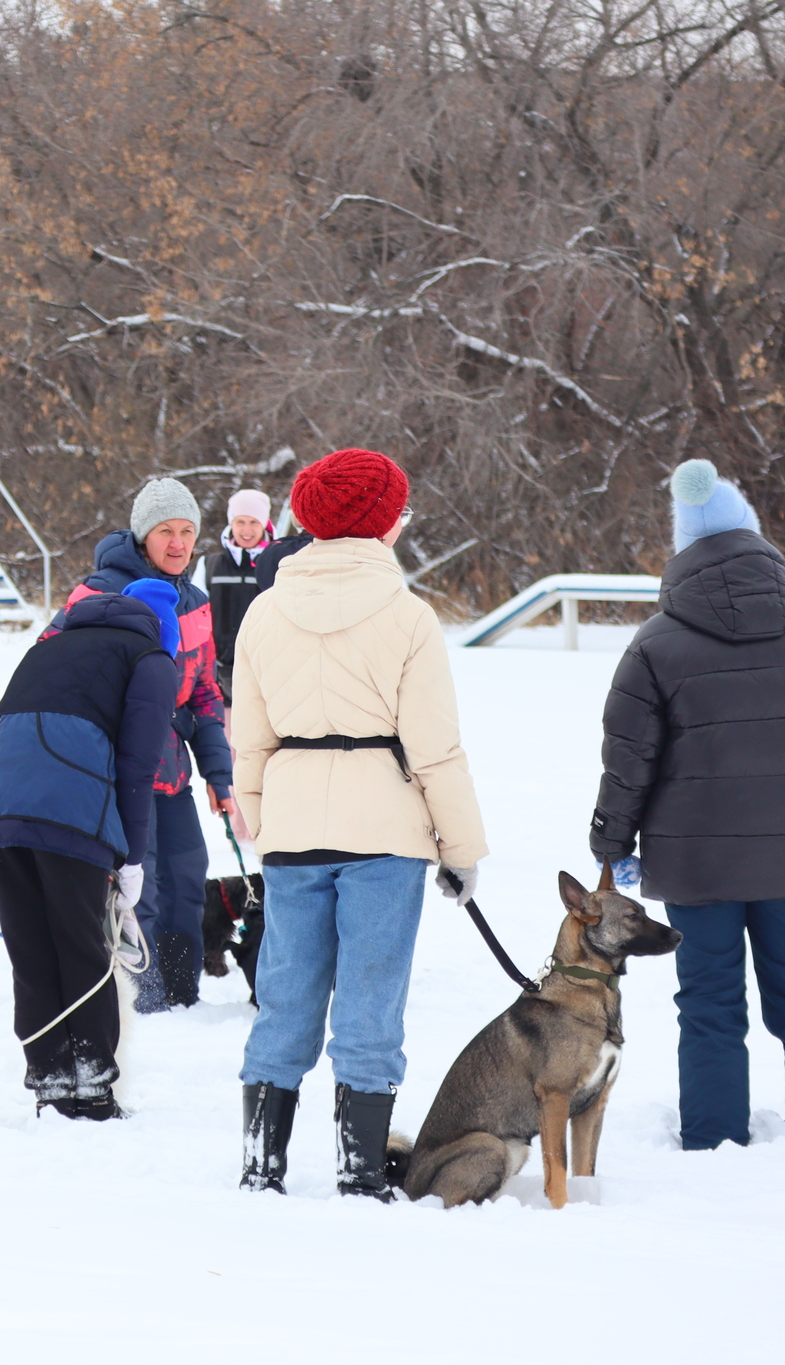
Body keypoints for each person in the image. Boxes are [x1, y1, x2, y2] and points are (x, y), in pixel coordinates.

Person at [231, 448, 486, 1200]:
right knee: (371, 1002)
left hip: (292, 829)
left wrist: (260, 822)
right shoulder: (407, 617)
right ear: (384, 521)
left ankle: (260, 1164)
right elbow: (435, 748)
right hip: (384, 834)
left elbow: (250, 738)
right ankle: (358, 1170)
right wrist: (462, 847)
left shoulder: (264, 611)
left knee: (285, 997)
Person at [590, 458, 785, 1151]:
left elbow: (627, 758)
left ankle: (712, 1138)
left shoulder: (655, 644)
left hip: (696, 865)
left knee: (708, 1003)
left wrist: (610, 844)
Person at [0, 578, 180, 1119]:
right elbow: (138, 768)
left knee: (31, 948)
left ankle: (52, 1085)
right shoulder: (152, 659)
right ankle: (95, 1092)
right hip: (66, 797)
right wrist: (131, 858)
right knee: (82, 945)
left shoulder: (54, 640)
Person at [45, 477, 234, 1011]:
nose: (178, 543)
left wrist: (219, 775)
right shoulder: (98, 591)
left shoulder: (194, 601)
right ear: (142, 534)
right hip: (120, 773)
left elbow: (203, 694)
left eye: (188, 531)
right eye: (165, 531)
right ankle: (144, 998)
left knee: (187, 879)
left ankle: (182, 992)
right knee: (138, 890)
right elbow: (51, 662)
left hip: (173, 774)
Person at [203, 489, 271, 706]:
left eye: (254, 522)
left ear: (264, 525)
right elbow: (197, 617)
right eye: (240, 521)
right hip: (218, 675)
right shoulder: (210, 565)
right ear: (231, 523)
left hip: (264, 674)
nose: (247, 530)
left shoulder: (276, 564)